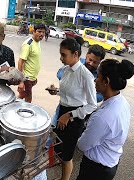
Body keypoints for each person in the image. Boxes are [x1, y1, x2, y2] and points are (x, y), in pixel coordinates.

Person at [77, 59, 134, 180]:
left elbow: (82, 145)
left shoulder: (103, 117)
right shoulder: (122, 102)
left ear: (106, 81)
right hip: (111, 162)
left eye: (98, 76)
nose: (95, 80)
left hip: (95, 170)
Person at [48, 38, 97, 180]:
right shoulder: (66, 69)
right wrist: (56, 91)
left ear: (75, 54)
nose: (61, 58)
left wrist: (70, 115)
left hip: (74, 118)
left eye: (64, 55)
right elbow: (70, 93)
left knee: (67, 155)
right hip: (63, 112)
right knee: (59, 147)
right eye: (60, 54)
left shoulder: (85, 75)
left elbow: (92, 104)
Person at [51, 44, 106, 126]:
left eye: (95, 62)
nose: (91, 63)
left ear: (100, 62)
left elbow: (98, 97)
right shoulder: (76, 62)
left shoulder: (99, 76)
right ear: (86, 55)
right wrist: (59, 90)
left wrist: (82, 91)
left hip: (80, 112)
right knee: (53, 129)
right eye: (90, 59)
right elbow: (60, 74)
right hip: (63, 106)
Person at [17, 23, 45, 103]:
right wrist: (21, 81)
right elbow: (20, 62)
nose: (41, 34)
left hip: (32, 77)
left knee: (23, 95)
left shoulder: (38, 42)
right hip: (27, 78)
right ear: (33, 31)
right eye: (39, 32)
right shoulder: (28, 44)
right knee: (28, 99)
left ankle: (12, 105)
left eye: (43, 32)